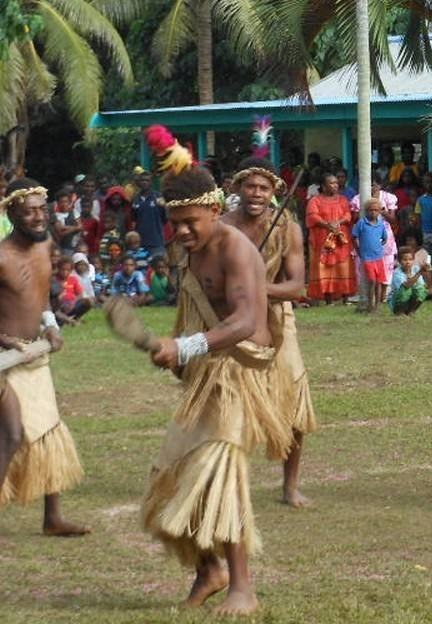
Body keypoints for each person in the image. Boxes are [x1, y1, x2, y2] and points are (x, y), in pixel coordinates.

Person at [139, 132, 292, 616]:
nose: (182, 232)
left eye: (189, 223)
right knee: (171, 480)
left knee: (222, 476)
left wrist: (185, 346)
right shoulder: (190, 248)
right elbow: (193, 312)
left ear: (211, 209)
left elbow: (247, 321)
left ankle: (243, 587)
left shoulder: (236, 250)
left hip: (242, 375)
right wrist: (179, 355)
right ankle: (210, 569)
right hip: (206, 371)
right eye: (175, 224)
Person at [224, 157, 318, 509]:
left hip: (279, 319)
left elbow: (296, 286)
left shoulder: (287, 229)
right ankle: (230, 484)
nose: (257, 194)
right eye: (250, 186)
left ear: (274, 192)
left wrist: (258, 288)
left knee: (294, 402)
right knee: (232, 404)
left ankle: (290, 486)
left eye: (264, 188)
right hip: (233, 320)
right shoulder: (222, 228)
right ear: (238, 189)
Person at [0, 178, 88, 536]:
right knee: (11, 433)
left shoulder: (46, 244)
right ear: (12, 214)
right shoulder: (1, 257)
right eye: (29, 212)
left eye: (42, 209)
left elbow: (40, 296)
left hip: (33, 354)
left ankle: (52, 517)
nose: (38, 217)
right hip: (4, 361)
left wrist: (50, 323)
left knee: (49, 431)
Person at [305, 174, 357, 306]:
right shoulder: (315, 200)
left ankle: (346, 298)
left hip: (341, 239)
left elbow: (348, 215)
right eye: (331, 183)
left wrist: (338, 222)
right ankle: (328, 300)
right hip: (324, 241)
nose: (335, 185)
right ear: (323, 186)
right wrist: (327, 224)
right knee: (326, 268)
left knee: (343, 267)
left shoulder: (343, 199)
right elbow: (312, 217)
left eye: (336, 183)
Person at [351, 199, 391, 313]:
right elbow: (354, 237)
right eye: (370, 210)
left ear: (379, 212)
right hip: (367, 258)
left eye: (376, 210)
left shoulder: (381, 224)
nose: (373, 213)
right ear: (366, 211)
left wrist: (378, 245)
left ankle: (376, 306)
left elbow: (384, 238)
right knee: (372, 281)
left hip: (378, 257)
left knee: (379, 282)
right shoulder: (362, 223)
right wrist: (359, 250)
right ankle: (369, 304)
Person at [132, 171, 167, 261]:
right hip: (140, 243)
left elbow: (165, 218)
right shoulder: (135, 199)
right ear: (139, 182)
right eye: (142, 180)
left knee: (158, 269)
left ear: (151, 182)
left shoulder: (158, 197)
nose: (144, 182)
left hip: (156, 242)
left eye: (147, 180)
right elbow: (134, 219)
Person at [388, 247, 430, 315]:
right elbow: (407, 285)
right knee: (405, 290)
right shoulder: (397, 272)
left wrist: (426, 271)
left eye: (410, 259)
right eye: (405, 260)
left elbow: (423, 285)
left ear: (413, 260)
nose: (408, 262)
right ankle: (399, 312)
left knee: (421, 290)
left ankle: (411, 311)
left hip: (409, 299)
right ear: (399, 261)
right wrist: (420, 272)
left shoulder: (416, 268)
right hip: (396, 301)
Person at [51, 187, 82, 254]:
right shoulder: (55, 215)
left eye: (66, 201)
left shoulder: (74, 212)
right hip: (61, 247)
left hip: (75, 246)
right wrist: (75, 228)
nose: (64, 204)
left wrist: (66, 228)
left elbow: (81, 227)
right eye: (62, 202)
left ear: (69, 202)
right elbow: (60, 232)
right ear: (58, 203)